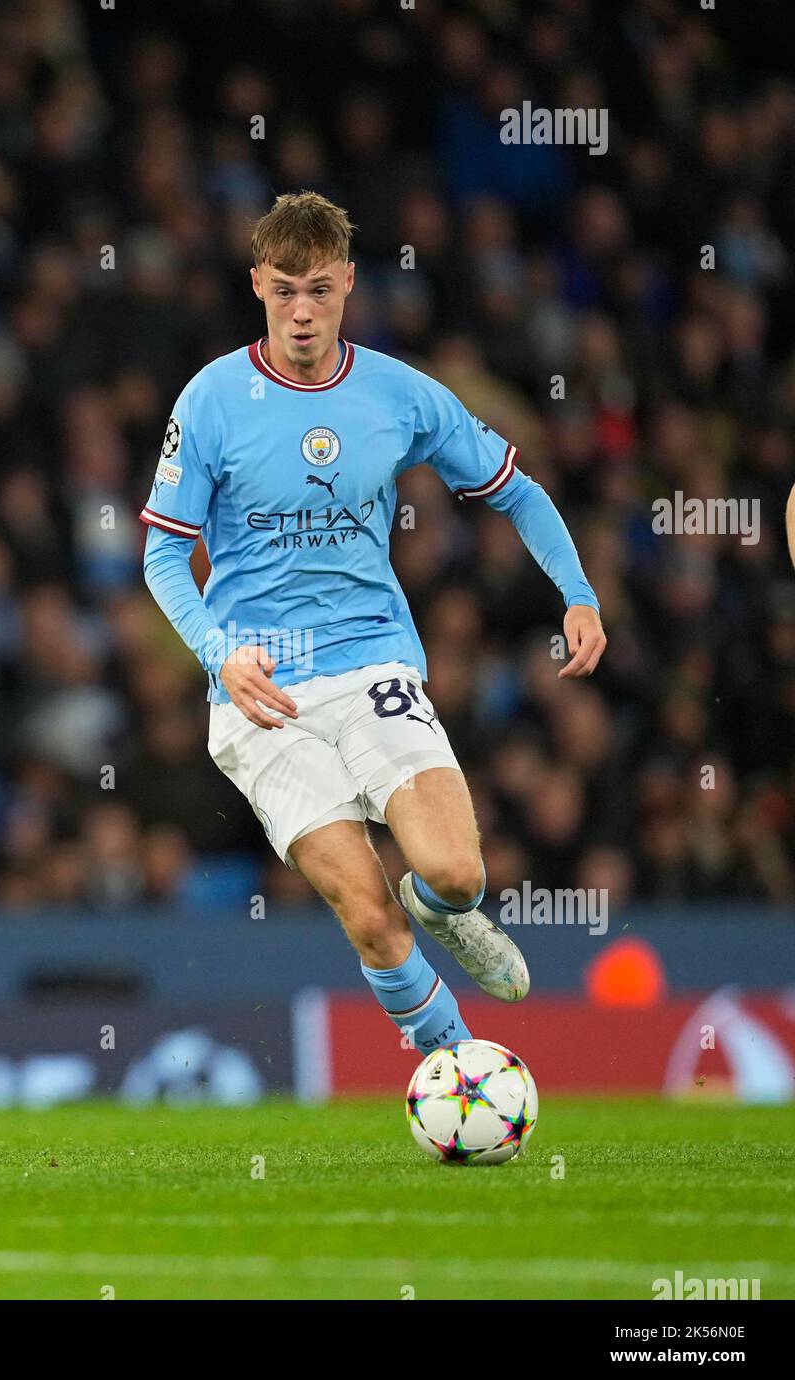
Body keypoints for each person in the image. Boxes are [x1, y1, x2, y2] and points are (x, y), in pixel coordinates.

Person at [140, 192, 606, 1056]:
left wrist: (577, 592)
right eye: (284, 291)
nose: (303, 312)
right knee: (367, 911)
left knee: (455, 871)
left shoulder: (399, 392)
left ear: (350, 283)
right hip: (261, 691)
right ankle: (460, 1066)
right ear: (256, 286)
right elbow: (163, 556)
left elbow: (518, 488)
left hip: (371, 663)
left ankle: (446, 910)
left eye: (319, 289)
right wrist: (219, 654)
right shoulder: (211, 399)